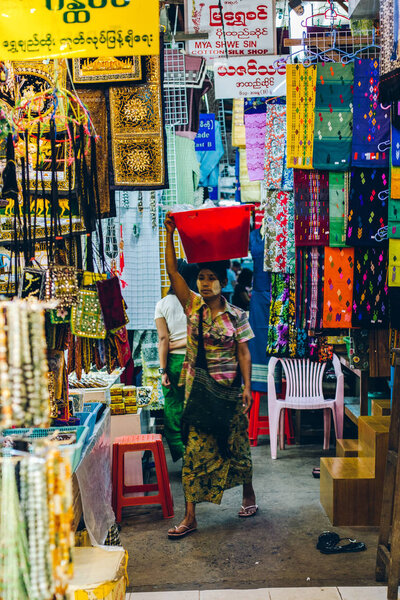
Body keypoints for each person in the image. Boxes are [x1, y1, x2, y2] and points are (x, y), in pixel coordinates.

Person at [164, 212, 258, 540]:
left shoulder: (238, 316)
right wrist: (170, 233)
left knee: (236, 448)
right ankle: (190, 516)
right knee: (193, 454)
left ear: (222, 282)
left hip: (231, 394)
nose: (204, 282)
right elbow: (173, 270)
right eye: (201, 277)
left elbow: (244, 353)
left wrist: (247, 387)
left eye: (209, 277)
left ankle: (248, 493)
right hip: (199, 397)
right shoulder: (192, 307)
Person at [154, 260, 198, 462]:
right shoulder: (198, 301)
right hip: (196, 361)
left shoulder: (162, 305)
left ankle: (181, 451)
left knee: (173, 406)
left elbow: (163, 340)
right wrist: (186, 342)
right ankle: (197, 450)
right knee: (195, 406)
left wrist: (162, 371)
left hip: (173, 363)